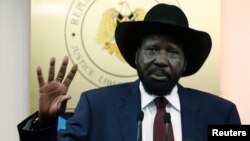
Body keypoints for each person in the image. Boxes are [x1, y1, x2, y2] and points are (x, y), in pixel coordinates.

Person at [17, 3, 241, 141]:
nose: (161, 60)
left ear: (184, 64)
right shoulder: (96, 107)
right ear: (136, 56)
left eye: (172, 53)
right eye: (152, 49)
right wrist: (44, 123)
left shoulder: (221, 114)